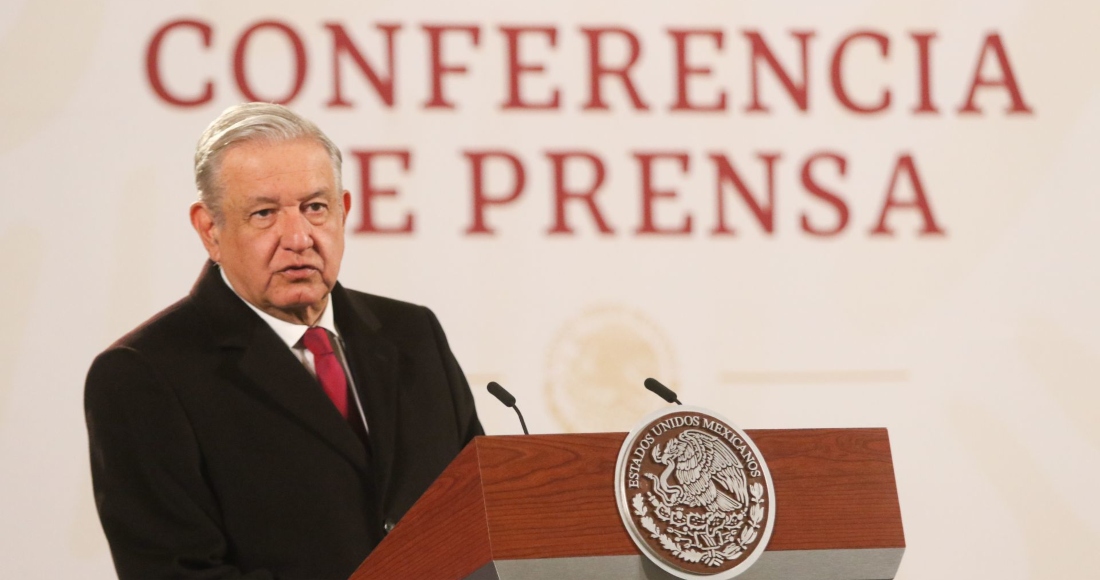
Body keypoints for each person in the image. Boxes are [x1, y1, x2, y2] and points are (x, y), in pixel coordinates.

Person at [84, 103, 483, 580]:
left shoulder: (413, 335)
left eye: (315, 208)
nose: (297, 237)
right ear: (210, 230)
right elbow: (178, 571)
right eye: (264, 213)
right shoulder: (143, 374)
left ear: (344, 211)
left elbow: (482, 515)